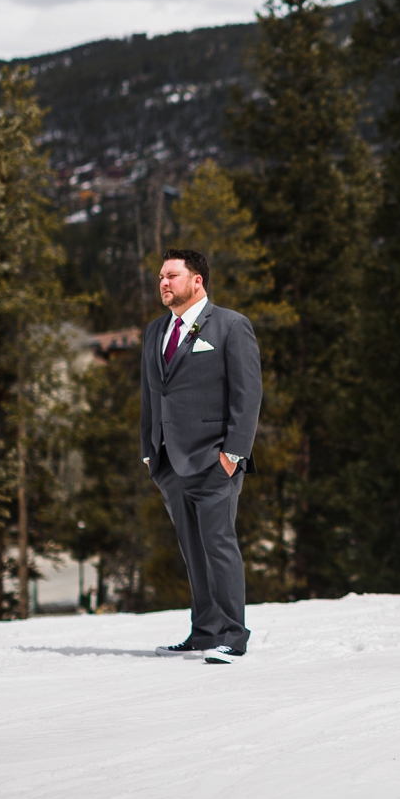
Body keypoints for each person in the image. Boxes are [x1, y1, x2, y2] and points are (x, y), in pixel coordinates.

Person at [141, 248, 263, 664]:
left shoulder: (230, 326)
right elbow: (152, 396)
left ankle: (234, 635)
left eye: (171, 275)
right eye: (160, 276)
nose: (163, 282)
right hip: (169, 463)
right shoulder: (155, 332)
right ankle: (205, 631)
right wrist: (148, 452)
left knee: (219, 545)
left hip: (215, 460)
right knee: (193, 549)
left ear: (197, 281)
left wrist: (233, 453)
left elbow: (248, 396)